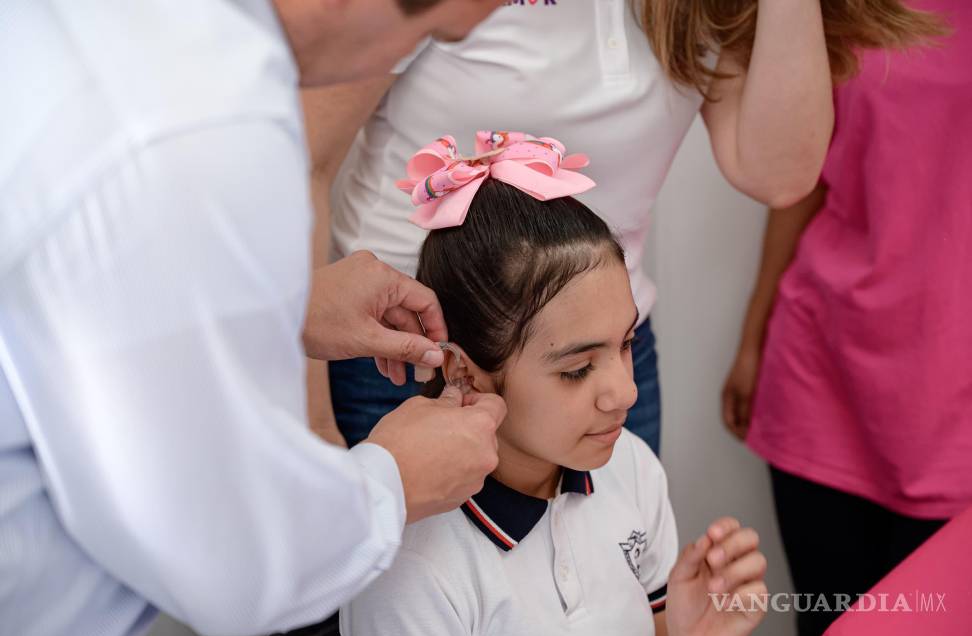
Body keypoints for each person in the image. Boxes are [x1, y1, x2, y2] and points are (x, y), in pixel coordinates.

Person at [0, 1, 509, 636]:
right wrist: (395, 483)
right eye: (428, 31)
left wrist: (289, 306)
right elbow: (227, 565)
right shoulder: (205, 131)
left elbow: (76, 299)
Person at [304, 0, 943, 457]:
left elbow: (779, 174)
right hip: (415, 361)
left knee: (614, 596)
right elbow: (301, 162)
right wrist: (308, 423)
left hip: (604, 356)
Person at [339, 133, 769, 636]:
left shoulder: (630, 467)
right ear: (463, 372)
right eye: (578, 369)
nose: (625, 393)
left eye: (626, 344)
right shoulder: (412, 566)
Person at [720, 2, 967, 636]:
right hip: (823, 367)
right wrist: (753, 338)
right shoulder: (843, 9)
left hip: (955, 406)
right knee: (828, 628)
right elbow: (801, 181)